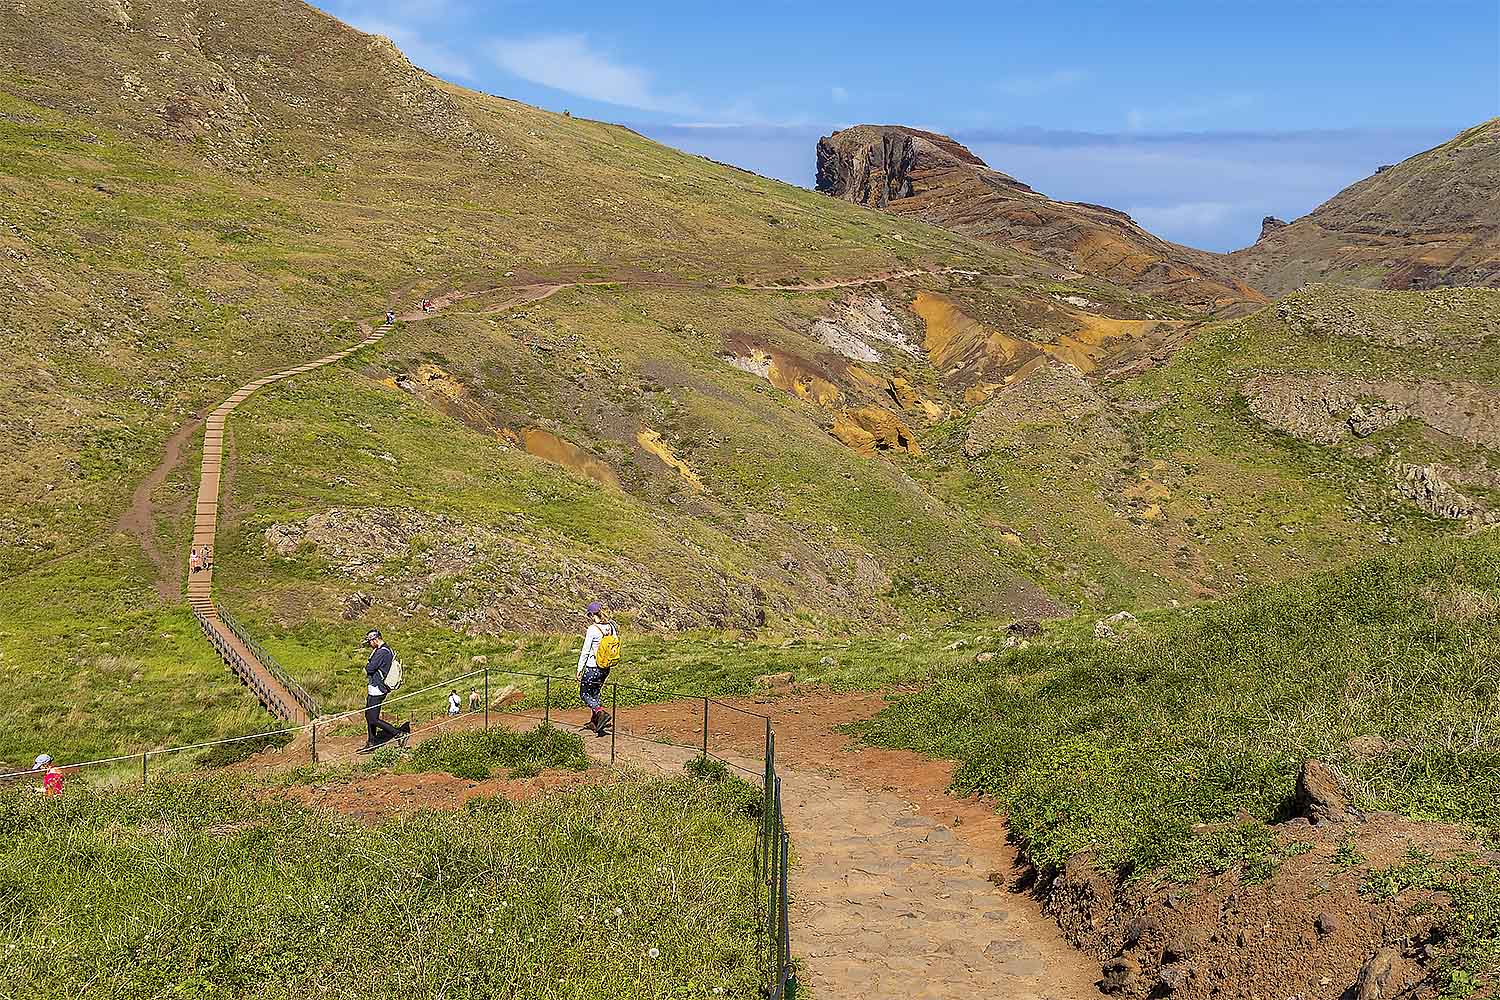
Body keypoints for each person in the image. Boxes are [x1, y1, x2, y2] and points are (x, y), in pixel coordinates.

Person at [359, 629, 410, 753]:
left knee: (373, 718)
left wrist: (368, 665)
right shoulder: (384, 649)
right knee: (369, 716)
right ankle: (371, 742)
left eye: (370, 642)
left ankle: (398, 734)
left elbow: (370, 668)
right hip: (375, 688)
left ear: (375, 639)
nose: (369, 645)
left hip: (378, 689)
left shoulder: (382, 652)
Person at [576, 600, 617, 737]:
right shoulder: (611, 627)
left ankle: (600, 712)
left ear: (593, 614)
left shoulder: (592, 629)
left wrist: (579, 669)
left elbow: (585, 651)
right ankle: (595, 722)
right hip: (605, 667)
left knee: (585, 694)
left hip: (592, 667)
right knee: (596, 693)